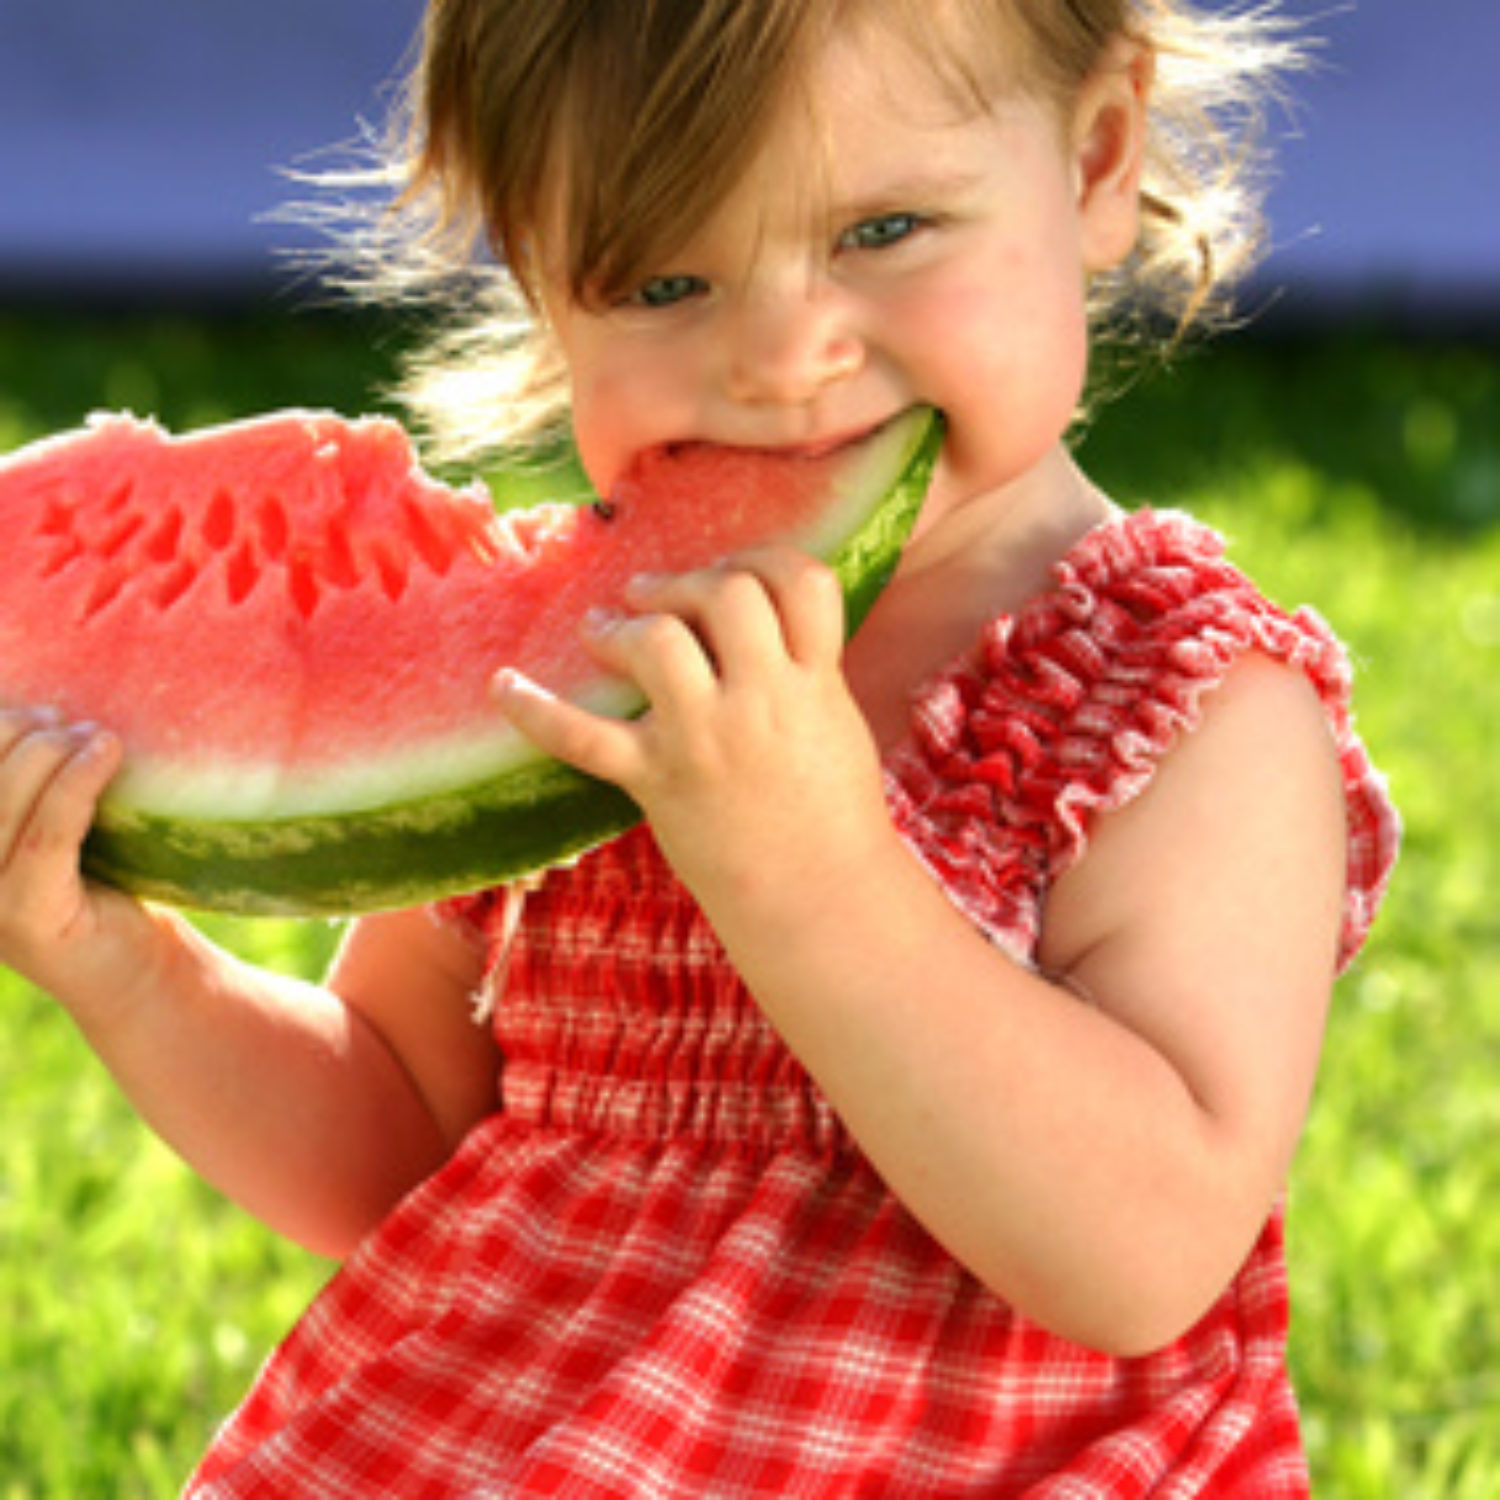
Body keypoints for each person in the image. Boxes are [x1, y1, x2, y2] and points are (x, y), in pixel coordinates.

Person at [0, 0, 1400, 1492]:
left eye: (885, 229)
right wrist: (131, 970)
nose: (785, 356)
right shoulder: (573, 676)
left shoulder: (1178, 705)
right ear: (545, 285)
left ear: (1096, 156)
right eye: (667, 280)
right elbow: (395, 1146)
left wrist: (811, 872)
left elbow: (1138, 1259)